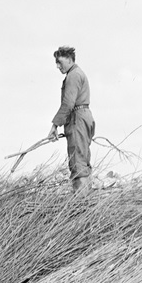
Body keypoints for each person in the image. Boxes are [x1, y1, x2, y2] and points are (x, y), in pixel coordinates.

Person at [47, 46, 96, 193]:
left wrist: (55, 126)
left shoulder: (73, 75)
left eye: (59, 62)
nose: (57, 66)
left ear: (69, 60)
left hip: (78, 119)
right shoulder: (77, 73)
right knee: (83, 160)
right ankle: (85, 200)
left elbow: (68, 103)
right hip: (83, 117)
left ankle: (80, 203)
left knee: (78, 163)